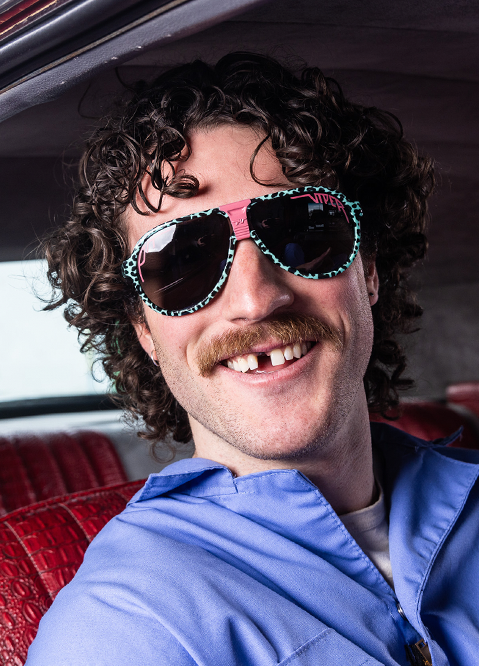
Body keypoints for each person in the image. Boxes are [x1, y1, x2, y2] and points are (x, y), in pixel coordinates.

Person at [26, 53, 479, 666]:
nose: (255, 299)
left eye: (303, 231)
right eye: (183, 260)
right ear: (144, 331)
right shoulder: (121, 632)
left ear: (367, 269)